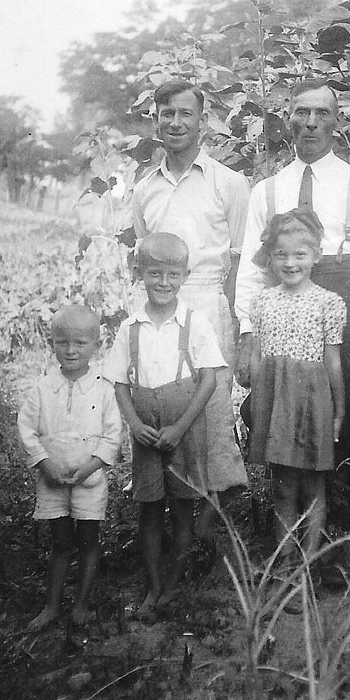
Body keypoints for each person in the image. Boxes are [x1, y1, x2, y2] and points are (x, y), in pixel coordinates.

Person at [236, 79, 350, 576]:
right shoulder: (269, 189)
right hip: (282, 313)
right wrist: (246, 333)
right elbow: (250, 265)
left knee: (343, 424)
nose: (309, 123)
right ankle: (285, 548)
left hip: (343, 302)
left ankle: (333, 548)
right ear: (288, 119)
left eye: (320, 114)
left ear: (335, 121)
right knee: (283, 425)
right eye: (300, 113)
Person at [129, 80, 250, 536]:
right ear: (156, 120)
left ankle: (212, 526)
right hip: (159, 305)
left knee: (211, 410)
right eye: (166, 114)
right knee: (162, 402)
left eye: (185, 114)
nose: (175, 123)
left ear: (203, 121)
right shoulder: (145, 189)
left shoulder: (228, 183)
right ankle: (163, 514)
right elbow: (147, 255)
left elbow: (239, 259)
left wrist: (238, 325)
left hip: (207, 303)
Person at [105, 233, 224, 619]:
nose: (163, 282)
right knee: (150, 509)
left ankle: (172, 586)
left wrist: (180, 427)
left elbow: (208, 380)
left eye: (173, 274)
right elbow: (120, 383)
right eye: (155, 273)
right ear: (139, 272)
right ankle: (153, 586)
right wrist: (134, 423)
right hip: (146, 432)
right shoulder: (130, 328)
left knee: (183, 508)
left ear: (185, 275)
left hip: (183, 427)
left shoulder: (194, 322)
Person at [248, 210, 346, 578]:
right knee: (283, 486)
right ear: (270, 258)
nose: (290, 263)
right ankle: (286, 562)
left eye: (299, 254)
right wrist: (259, 406)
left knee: (313, 484)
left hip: (312, 400)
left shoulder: (329, 302)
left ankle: (310, 562)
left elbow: (333, 361)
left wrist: (339, 409)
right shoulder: (263, 302)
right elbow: (258, 359)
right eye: (281, 255)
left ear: (317, 255)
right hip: (275, 401)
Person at [17, 304, 123, 632]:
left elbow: (112, 435)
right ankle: (51, 607)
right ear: (51, 343)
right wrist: (45, 463)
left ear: (96, 344)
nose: (71, 350)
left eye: (80, 342)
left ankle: (81, 604)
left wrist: (91, 467)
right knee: (61, 542)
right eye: (63, 342)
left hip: (89, 480)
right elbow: (26, 429)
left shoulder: (104, 388)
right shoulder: (44, 387)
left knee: (89, 540)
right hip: (52, 479)